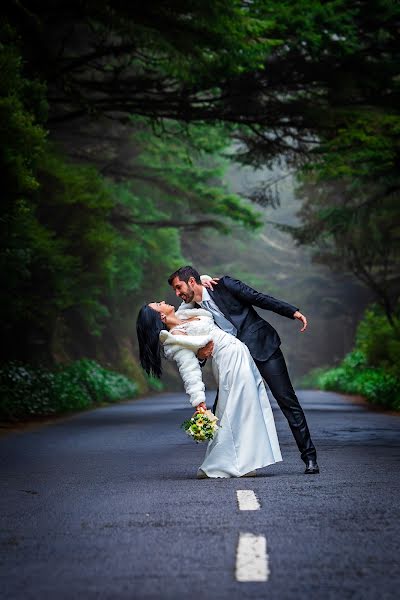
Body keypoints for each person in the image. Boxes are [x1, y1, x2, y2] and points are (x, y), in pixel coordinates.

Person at [168, 266, 319, 475]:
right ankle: (230, 463)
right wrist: (201, 357)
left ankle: (310, 457)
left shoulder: (225, 285)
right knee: (223, 408)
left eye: (179, 287)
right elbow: (195, 342)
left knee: (286, 400)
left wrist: (292, 311)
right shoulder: (190, 309)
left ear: (192, 281)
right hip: (233, 359)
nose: (177, 294)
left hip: (261, 346)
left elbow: (259, 298)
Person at [136, 301, 282, 479]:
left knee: (244, 407)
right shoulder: (175, 338)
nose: (163, 301)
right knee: (239, 409)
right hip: (228, 362)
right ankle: (226, 464)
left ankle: (242, 461)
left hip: (240, 354)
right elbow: (190, 370)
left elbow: (191, 294)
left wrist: (203, 280)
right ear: (161, 316)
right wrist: (199, 401)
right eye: (159, 304)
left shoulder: (184, 315)